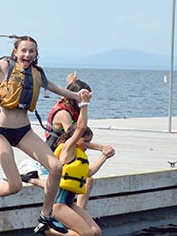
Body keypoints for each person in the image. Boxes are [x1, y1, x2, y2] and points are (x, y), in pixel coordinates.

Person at [0, 35, 90, 235]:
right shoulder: (5, 66)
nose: (27, 54)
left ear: (36, 54)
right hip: (1, 132)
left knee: (56, 168)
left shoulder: (37, 73)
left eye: (31, 51)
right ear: (16, 52)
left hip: (24, 131)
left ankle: (45, 215)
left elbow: (56, 89)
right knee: (14, 186)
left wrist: (78, 95)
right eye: (23, 50)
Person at [48, 91, 116, 236]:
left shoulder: (80, 156)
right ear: (76, 140)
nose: (87, 146)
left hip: (70, 203)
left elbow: (89, 172)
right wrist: (84, 105)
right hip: (59, 203)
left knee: (95, 232)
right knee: (85, 235)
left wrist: (104, 156)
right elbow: (79, 128)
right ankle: (47, 230)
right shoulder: (68, 150)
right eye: (85, 142)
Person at [26, 79, 115, 208]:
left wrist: (72, 82)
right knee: (87, 180)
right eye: (84, 96)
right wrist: (102, 148)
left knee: (84, 177)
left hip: (68, 154)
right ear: (75, 96)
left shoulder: (72, 107)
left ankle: (79, 212)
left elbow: (81, 138)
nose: (87, 99)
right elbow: (76, 136)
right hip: (54, 154)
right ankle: (78, 211)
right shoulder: (63, 114)